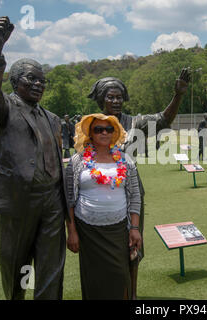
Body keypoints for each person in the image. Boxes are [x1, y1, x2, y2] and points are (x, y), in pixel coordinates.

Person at [0, 16, 68, 300]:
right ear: (15, 82)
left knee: (51, 266)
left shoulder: (52, 119)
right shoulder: (4, 110)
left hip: (52, 200)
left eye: (42, 80)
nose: (39, 84)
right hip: (20, 200)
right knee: (17, 264)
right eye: (32, 79)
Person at [87, 71, 190, 299]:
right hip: (99, 196)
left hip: (130, 194)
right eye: (110, 97)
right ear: (101, 99)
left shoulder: (134, 123)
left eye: (119, 97)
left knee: (133, 247)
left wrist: (178, 95)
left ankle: (131, 295)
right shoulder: (90, 125)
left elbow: (163, 120)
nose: (116, 101)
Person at [65, 113, 141, 299]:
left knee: (119, 277)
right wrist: (72, 231)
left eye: (109, 129)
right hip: (88, 232)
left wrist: (135, 227)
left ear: (114, 133)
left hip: (117, 231)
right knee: (94, 280)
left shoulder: (124, 160)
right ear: (90, 133)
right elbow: (68, 199)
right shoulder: (77, 161)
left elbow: (135, 196)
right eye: (98, 129)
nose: (104, 133)